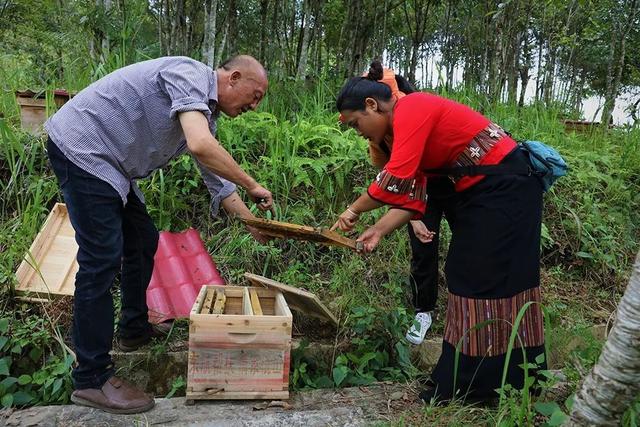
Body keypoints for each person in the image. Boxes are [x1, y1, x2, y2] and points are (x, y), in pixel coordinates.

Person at [44, 55, 274, 414]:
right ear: (233, 77)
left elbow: (219, 183)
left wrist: (252, 223)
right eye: (255, 94)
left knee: (142, 240)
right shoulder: (189, 74)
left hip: (113, 165)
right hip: (84, 147)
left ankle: (134, 328)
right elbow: (200, 146)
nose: (254, 105)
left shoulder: (202, 116)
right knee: (101, 259)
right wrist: (253, 183)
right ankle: (91, 379)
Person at [332, 61, 546, 403]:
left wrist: (354, 209)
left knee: (482, 278)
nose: (360, 133)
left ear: (372, 105)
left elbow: (395, 178)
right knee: (475, 277)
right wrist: (378, 230)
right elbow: (414, 196)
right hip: (488, 193)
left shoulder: (413, 107)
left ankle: (482, 385)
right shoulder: (402, 130)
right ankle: (491, 382)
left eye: (357, 124)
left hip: (506, 189)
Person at [356, 69, 454, 346]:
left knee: (465, 249)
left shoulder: (412, 110)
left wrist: (354, 210)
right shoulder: (380, 132)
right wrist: (413, 216)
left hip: (451, 179)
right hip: (416, 186)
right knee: (423, 249)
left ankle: (461, 314)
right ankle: (424, 311)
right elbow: (398, 177)